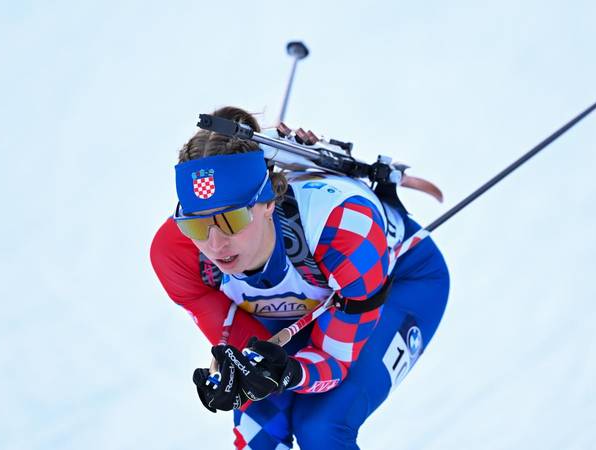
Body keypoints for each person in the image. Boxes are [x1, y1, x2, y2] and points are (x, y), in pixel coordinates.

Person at [150, 106, 450, 449]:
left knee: (321, 426)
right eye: (196, 225)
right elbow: (248, 350)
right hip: (308, 302)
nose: (215, 244)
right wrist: (247, 374)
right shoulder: (176, 253)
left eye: (231, 220)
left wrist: (287, 374)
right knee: (259, 430)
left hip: (400, 281)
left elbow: (334, 362)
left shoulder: (343, 230)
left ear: (267, 203)